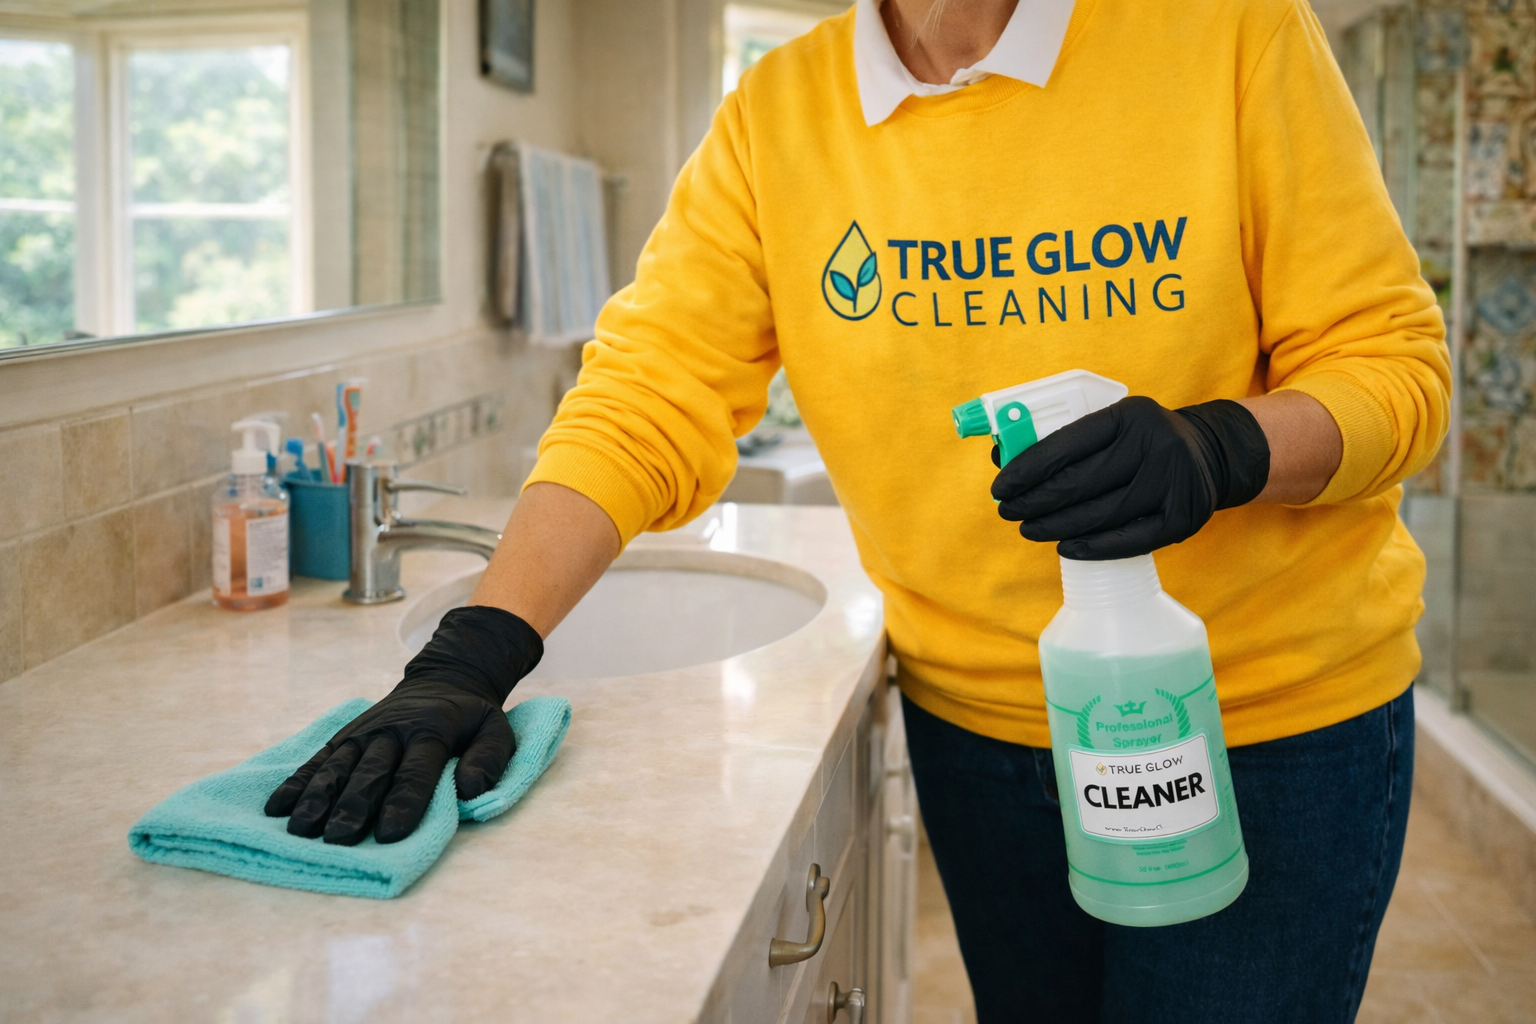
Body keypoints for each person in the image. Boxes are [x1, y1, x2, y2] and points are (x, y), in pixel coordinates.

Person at [265, 0, 1450, 1019]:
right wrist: (473, 652)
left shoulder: (1225, 31)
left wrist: (1220, 448)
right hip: (985, 733)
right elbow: (644, 397)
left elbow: (1396, 368)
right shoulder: (779, 115)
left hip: (1270, 727)